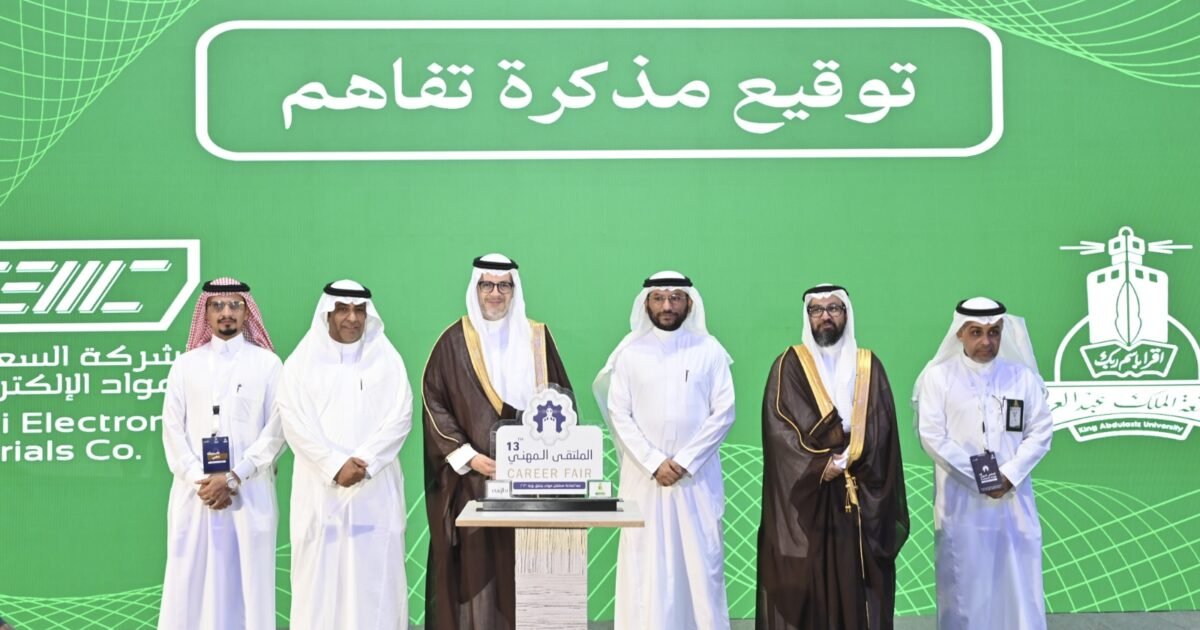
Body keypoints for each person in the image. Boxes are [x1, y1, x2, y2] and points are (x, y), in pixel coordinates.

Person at [422, 254, 574, 630]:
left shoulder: (537, 338)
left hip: (533, 483)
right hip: (474, 481)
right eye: (487, 284)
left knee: (531, 573)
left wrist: (543, 457)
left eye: (503, 285)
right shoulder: (453, 341)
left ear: (514, 289)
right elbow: (434, 401)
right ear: (475, 288)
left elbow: (563, 402)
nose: (495, 293)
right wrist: (469, 457)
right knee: (478, 578)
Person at [756, 284, 908, 630]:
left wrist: (847, 459)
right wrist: (819, 464)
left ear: (846, 314)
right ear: (807, 316)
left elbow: (882, 425)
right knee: (809, 583)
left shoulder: (868, 364)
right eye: (817, 310)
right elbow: (778, 427)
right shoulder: (788, 364)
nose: (825, 316)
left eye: (834, 309)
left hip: (859, 491)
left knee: (858, 584)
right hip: (808, 495)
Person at [593, 271, 735, 630]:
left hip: (696, 481)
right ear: (646, 304)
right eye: (659, 298)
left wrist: (684, 462)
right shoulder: (629, 353)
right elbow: (619, 414)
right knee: (646, 567)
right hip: (644, 480)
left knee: (701, 567)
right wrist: (655, 462)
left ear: (689, 302)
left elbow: (724, 412)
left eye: (675, 298)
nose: (667, 306)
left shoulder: (710, 351)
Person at [279, 280, 413, 630]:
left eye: (359, 310)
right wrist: (335, 465)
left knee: (376, 582)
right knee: (319, 584)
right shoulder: (300, 364)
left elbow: (401, 416)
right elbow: (294, 423)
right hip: (320, 493)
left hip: (375, 491)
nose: (352, 318)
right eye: (342, 309)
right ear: (328, 313)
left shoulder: (388, 360)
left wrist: (365, 463)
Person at [914, 297, 1053, 630]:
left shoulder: (1022, 377)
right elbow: (932, 436)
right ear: (960, 333)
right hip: (961, 504)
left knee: (1018, 585)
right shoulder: (938, 378)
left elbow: (1041, 431)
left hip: (1014, 501)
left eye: (994, 332)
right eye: (976, 332)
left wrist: (1009, 475)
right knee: (966, 587)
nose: (986, 341)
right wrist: (983, 479)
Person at [158, 278, 286, 630]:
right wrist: (200, 480)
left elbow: (276, 431)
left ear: (247, 312)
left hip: (249, 492)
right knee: (189, 582)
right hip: (195, 494)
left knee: (249, 584)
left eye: (234, 305)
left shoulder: (268, 365)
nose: (226, 312)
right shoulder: (185, 365)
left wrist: (234, 476)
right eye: (217, 305)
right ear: (206, 313)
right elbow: (172, 429)